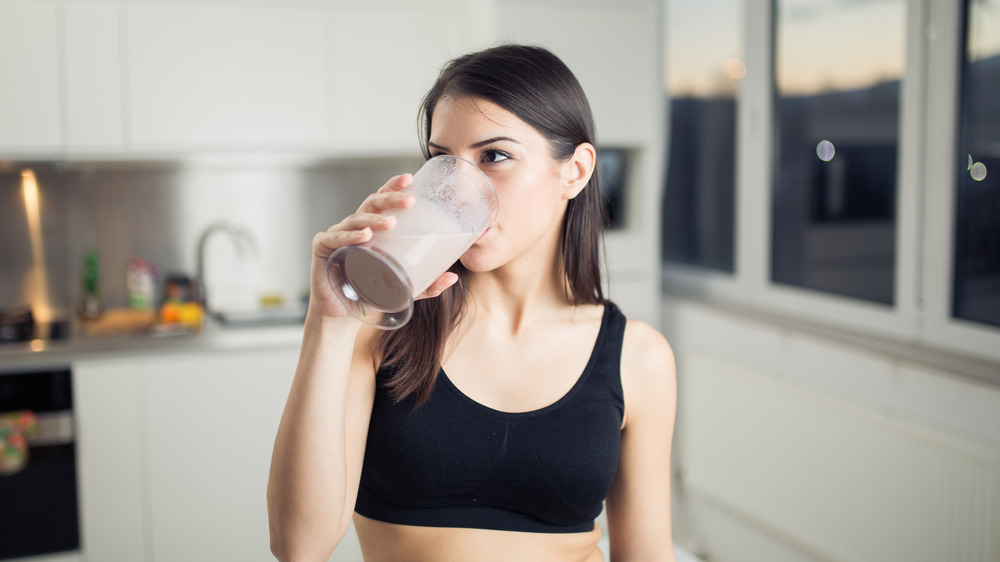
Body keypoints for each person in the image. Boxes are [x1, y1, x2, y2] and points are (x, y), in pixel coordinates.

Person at [267, 44, 677, 562]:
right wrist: (327, 323)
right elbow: (298, 547)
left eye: (495, 156)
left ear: (574, 172)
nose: (461, 191)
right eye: (443, 161)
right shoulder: (380, 329)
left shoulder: (637, 357)